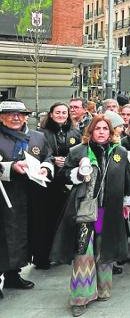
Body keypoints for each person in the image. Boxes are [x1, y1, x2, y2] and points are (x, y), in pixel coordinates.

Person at [50, 115, 130, 317]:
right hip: (86, 210)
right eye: (98, 128)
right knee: (83, 252)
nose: (102, 132)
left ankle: (103, 288)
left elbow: (127, 178)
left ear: (111, 132)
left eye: (105, 128)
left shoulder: (120, 152)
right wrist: (78, 174)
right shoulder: (78, 151)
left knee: (102, 247)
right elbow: (63, 176)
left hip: (107, 212)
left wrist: (127, 202)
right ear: (91, 131)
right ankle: (80, 297)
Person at [0, 100, 54, 297]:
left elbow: (48, 157)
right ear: (1, 117)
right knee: (4, 237)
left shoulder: (38, 137)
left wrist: (45, 168)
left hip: (31, 194)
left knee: (23, 234)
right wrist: (10, 167)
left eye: (20, 114)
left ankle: (13, 274)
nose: (16, 118)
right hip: (4, 195)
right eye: (11, 114)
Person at [34, 103, 82, 270]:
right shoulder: (41, 133)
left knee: (66, 218)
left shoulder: (76, 132)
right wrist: (53, 160)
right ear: (51, 114)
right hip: (47, 182)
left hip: (68, 180)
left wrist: (68, 160)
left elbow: (80, 153)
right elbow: (37, 154)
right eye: (58, 112)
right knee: (45, 220)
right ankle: (42, 256)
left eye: (64, 112)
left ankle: (62, 253)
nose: (61, 115)